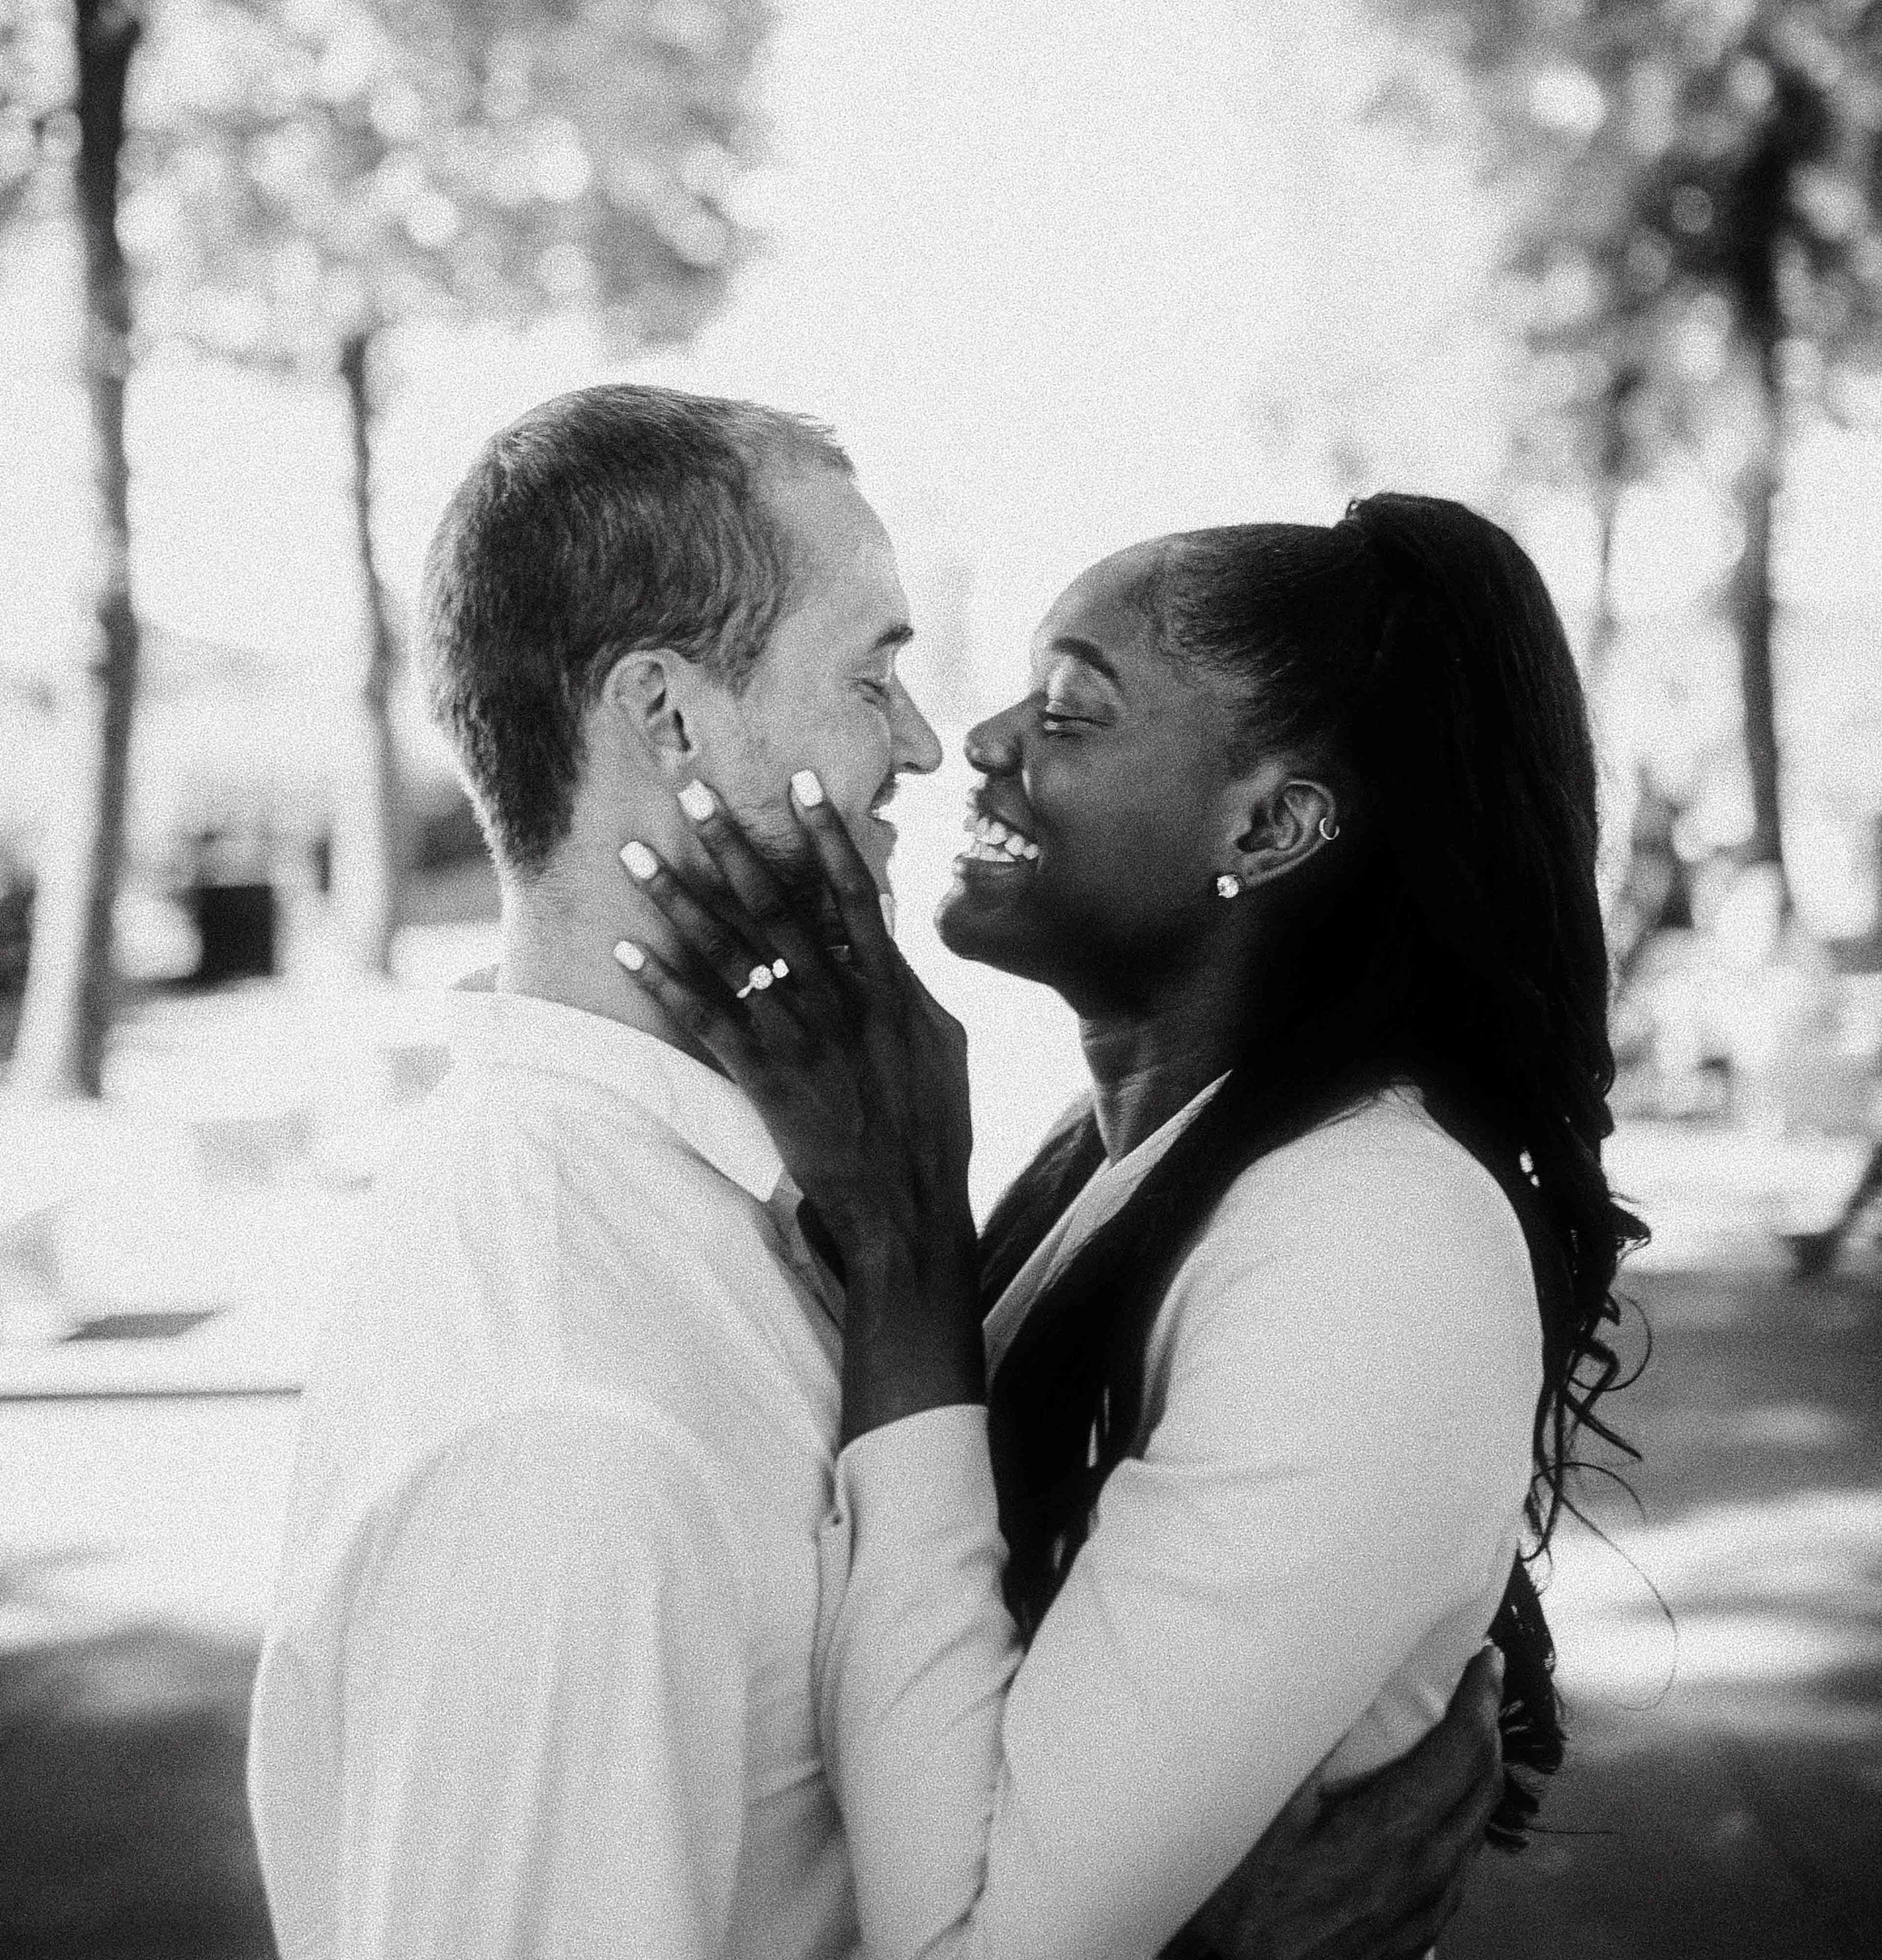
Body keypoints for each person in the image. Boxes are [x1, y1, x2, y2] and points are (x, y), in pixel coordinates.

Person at [248, 388, 1506, 1960]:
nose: (929, 743)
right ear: (670, 722)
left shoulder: (731, 1223)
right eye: (872, 675)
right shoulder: (565, 1434)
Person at [619, 494, 1646, 1958]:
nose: (976, 742)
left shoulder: (1371, 1244)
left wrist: (909, 1236)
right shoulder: (1106, 1157)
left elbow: (970, 1940)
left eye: (1070, 709)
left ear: (1274, 824)